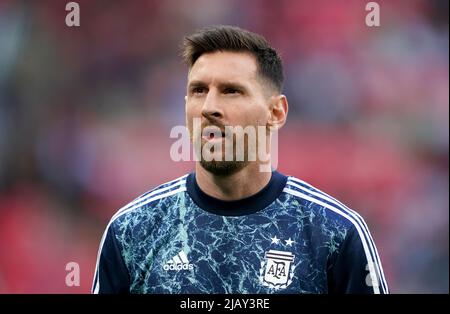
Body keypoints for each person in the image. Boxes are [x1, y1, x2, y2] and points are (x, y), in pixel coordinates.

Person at [92, 25, 389, 294]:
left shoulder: (335, 233)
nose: (209, 107)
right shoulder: (132, 231)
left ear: (276, 113)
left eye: (231, 91)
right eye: (198, 90)